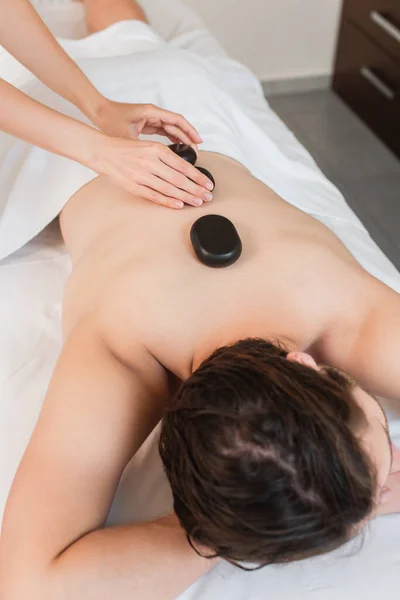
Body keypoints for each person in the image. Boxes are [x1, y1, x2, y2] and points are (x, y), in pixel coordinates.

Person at [1, 1, 400, 599]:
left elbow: (31, 581)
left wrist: (217, 533)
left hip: (152, 116)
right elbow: (28, 584)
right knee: (124, 30)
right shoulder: (345, 312)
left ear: (305, 369)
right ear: (309, 362)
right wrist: (216, 533)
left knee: (123, 31)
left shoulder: (124, 348)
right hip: (124, 128)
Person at [0, 0, 214, 208]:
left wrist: (101, 109)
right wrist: (100, 151)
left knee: (126, 28)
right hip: (28, 88)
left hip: (151, 69)